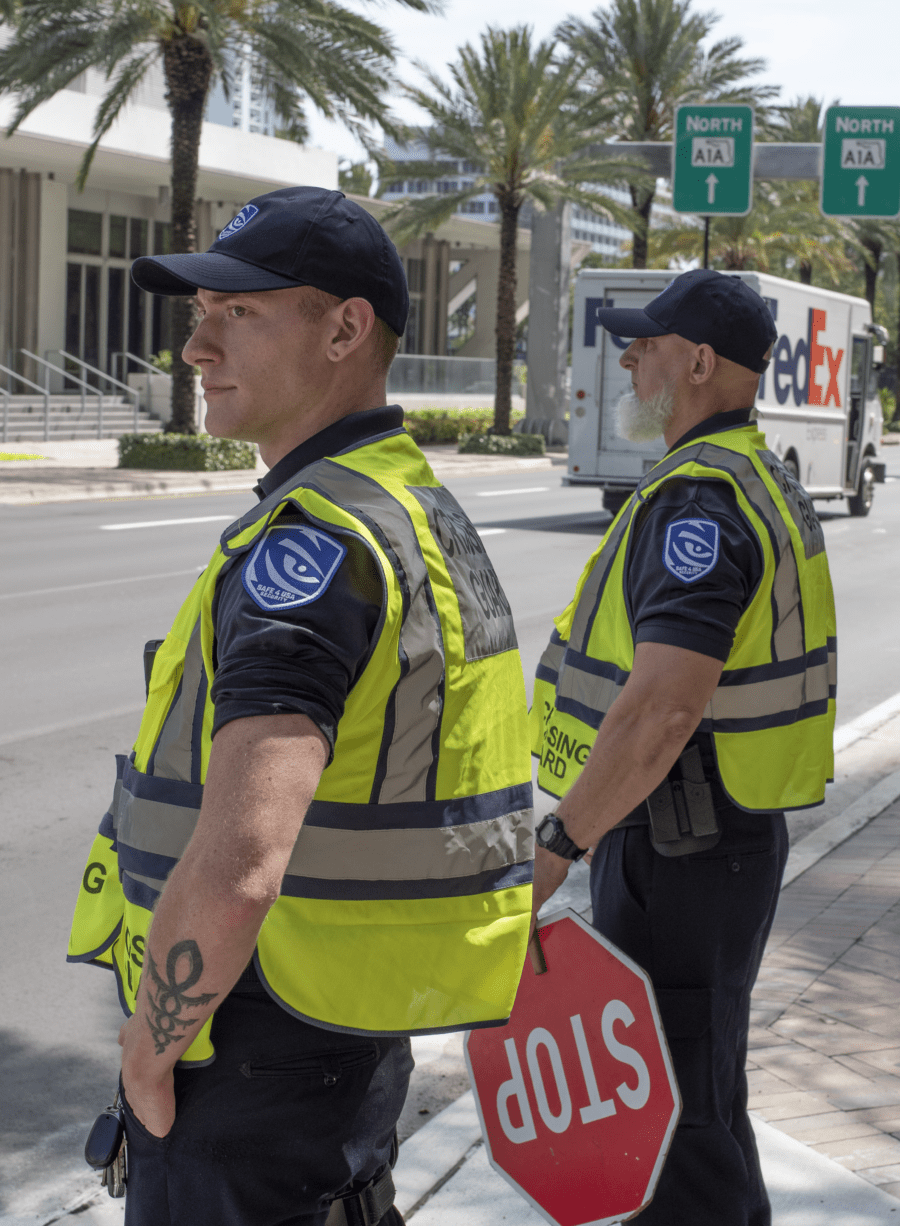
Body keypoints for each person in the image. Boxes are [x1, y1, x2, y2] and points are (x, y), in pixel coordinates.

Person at [67, 185, 534, 1226]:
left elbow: (242, 859)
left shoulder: (311, 547)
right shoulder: (408, 501)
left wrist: (149, 1048)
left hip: (250, 1050)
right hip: (341, 1031)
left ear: (344, 329)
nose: (198, 345)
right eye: (200, 313)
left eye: (239, 312)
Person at [529, 269, 836, 1226]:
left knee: (676, 1123)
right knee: (698, 1097)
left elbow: (662, 711)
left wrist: (557, 846)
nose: (627, 358)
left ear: (699, 363)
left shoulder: (700, 501)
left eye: (646, 345)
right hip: (705, 840)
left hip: (681, 846)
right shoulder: (746, 473)